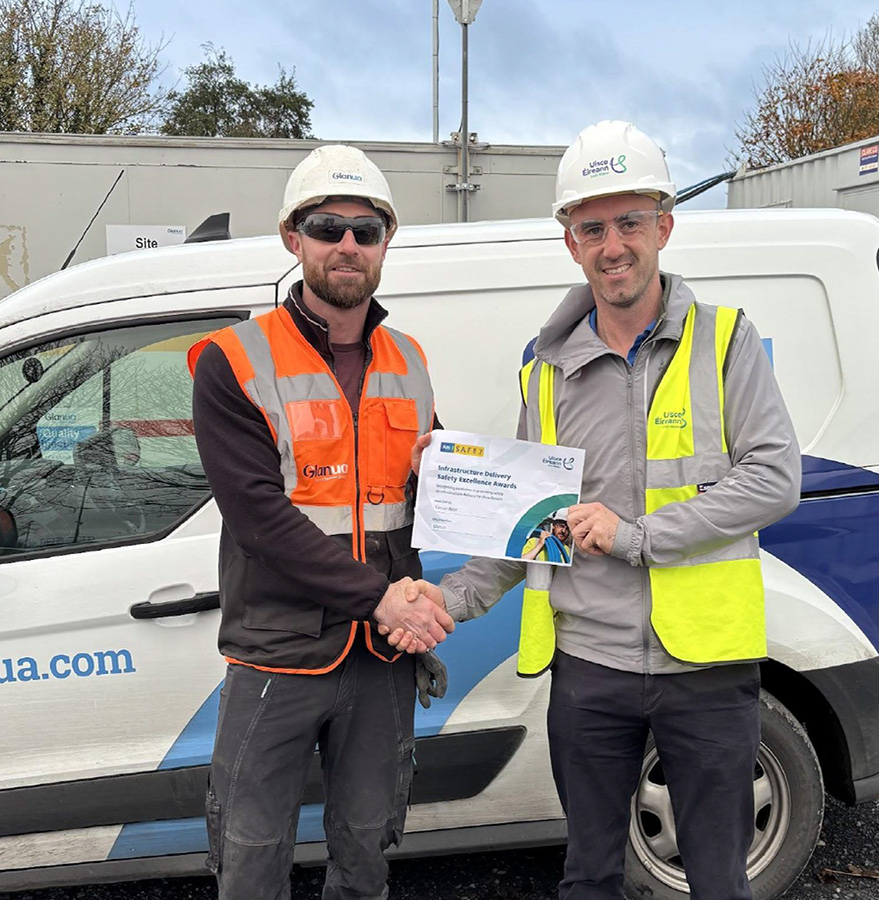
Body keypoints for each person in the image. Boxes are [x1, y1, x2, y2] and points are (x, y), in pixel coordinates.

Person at [389, 121, 801, 900]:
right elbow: (523, 527)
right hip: (590, 675)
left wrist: (639, 537)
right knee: (588, 878)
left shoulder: (724, 341)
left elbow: (776, 480)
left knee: (719, 880)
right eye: (593, 228)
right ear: (570, 242)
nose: (614, 245)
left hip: (707, 671)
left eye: (630, 223)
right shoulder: (546, 373)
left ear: (664, 227)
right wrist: (448, 599)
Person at [189, 144, 454, 900]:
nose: (347, 244)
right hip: (276, 653)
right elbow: (259, 520)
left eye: (364, 231)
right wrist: (382, 597)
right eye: (327, 226)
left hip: (380, 662)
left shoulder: (410, 359)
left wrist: (468, 477)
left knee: (367, 853)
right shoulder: (234, 360)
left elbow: (429, 499)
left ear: (385, 244)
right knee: (250, 857)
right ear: (292, 237)